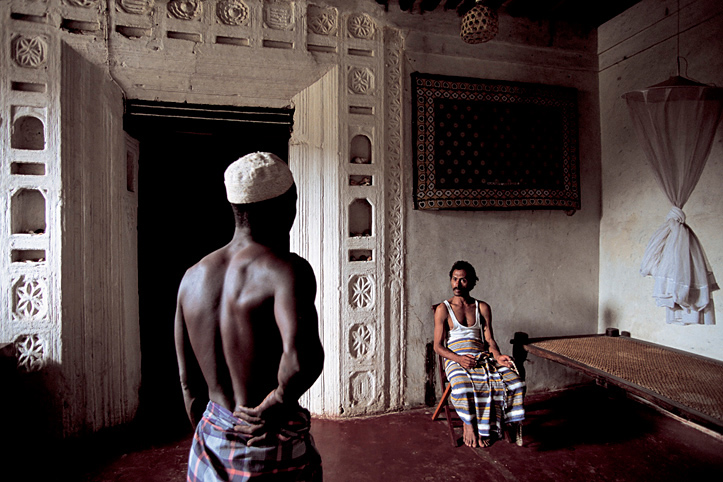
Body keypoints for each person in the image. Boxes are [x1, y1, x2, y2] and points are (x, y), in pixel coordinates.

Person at [174, 152, 324, 481]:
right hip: (267, 443)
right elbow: (300, 361)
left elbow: (188, 383)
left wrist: (218, 431)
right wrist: (278, 400)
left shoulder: (192, 277)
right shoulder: (287, 271)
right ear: (288, 204)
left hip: (210, 441)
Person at [433, 260, 525, 448]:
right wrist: (458, 359)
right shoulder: (444, 309)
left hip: (481, 357)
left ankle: (495, 425)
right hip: (455, 358)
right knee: (463, 386)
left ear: (473, 282)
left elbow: (489, 340)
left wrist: (498, 356)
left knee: (515, 381)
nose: (457, 285)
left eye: (463, 280)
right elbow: (438, 346)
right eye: (454, 279)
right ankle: (469, 425)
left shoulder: (482, 307)